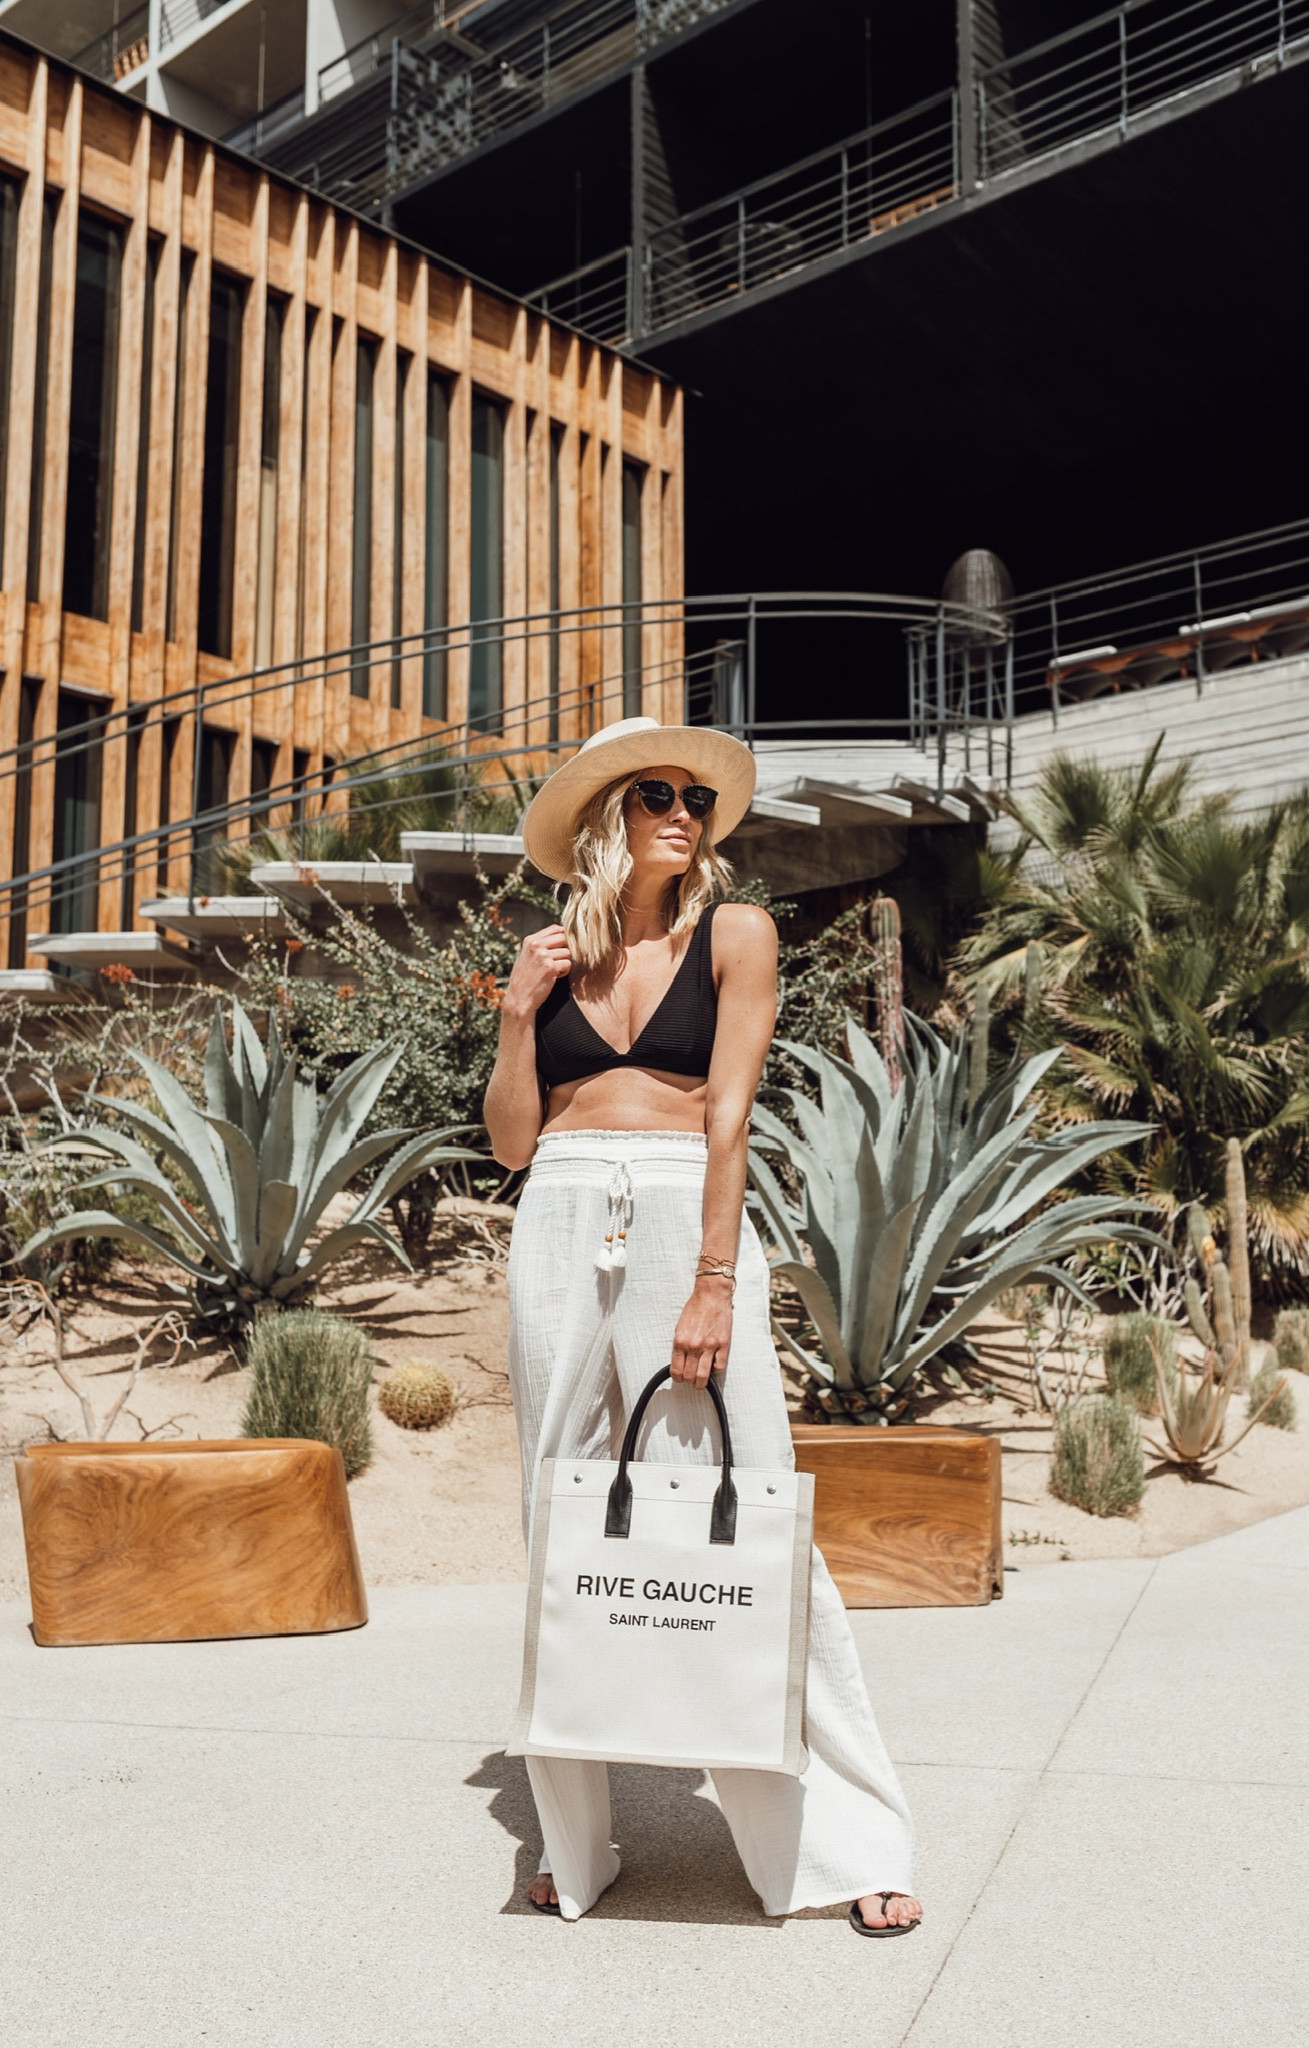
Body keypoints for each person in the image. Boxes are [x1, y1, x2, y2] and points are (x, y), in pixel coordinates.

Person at [483, 715, 921, 1937]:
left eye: (696, 798)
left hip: (682, 1208)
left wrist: (716, 1277)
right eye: (655, 793)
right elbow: (513, 1141)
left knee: (751, 1506)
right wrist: (518, 1016)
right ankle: (576, 1849)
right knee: (555, 1512)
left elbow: (728, 1113)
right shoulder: (553, 954)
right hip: (560, 1213)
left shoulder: (735, 930)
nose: (684, 811)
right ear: (603, 819)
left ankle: (848, 1838)